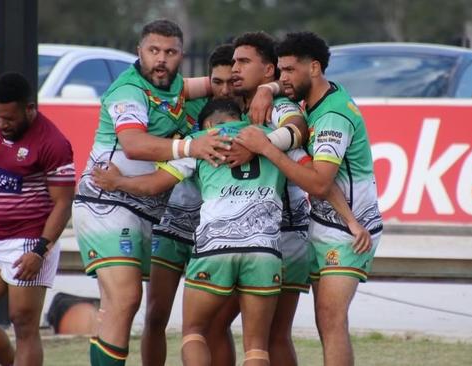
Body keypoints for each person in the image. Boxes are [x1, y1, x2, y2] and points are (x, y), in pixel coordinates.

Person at [92, 98, 311, 366]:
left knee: (194, 333)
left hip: (214, 247)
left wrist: (117, 182)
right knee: (256, 348)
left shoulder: (199, 141)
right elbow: (310, 173)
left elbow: (153, 186)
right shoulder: (268, 137)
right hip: (265, 250)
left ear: (208, 123)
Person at [71, 19, 230, 366]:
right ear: (139, 52)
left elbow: (228, 84)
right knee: (127, 299)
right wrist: (191, 146)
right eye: (153, 51)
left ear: (181, 56)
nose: (161, 59)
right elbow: (133, 144)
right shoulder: (128, 91)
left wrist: (266, 89)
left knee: (116, 308)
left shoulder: (176, 89)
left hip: (143, 210)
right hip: (106, 202)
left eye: (170, 52)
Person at [235, 31, 382, 366]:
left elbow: (318, 183)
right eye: (280, 70)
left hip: (350, 234)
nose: (283, 78)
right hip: (328, 222)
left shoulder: (332, 117)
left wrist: (267, 148)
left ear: (314, 68)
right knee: (324, 322)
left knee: (331, 321)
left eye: (289, 71)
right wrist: (265, 88)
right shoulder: (313, 100)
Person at [0, 72, 75, 366]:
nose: (2, 124)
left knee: (24, 324)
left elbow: (63, 204)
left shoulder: (54, 143)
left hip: (31, 241)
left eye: (9, 118)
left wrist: (39, 251)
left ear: (30, 108)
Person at [217, 31, 311, 366]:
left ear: (269, 70)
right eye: (233, 62)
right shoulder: (241, 103)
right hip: (261, 235)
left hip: (282, 234)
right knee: (262, 335)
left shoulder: (276, 105)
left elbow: (299, 126)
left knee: (263, 335)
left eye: (244, 62)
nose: (235, 69)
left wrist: (259, 144)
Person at [140, 43, 237, 366]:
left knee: (213, 325)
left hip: (216, 233)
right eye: (216, 82)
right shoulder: (187, 105)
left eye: (231, 82)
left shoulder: (250, 116)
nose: (223, 90)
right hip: (172, 224)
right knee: (155, 316)